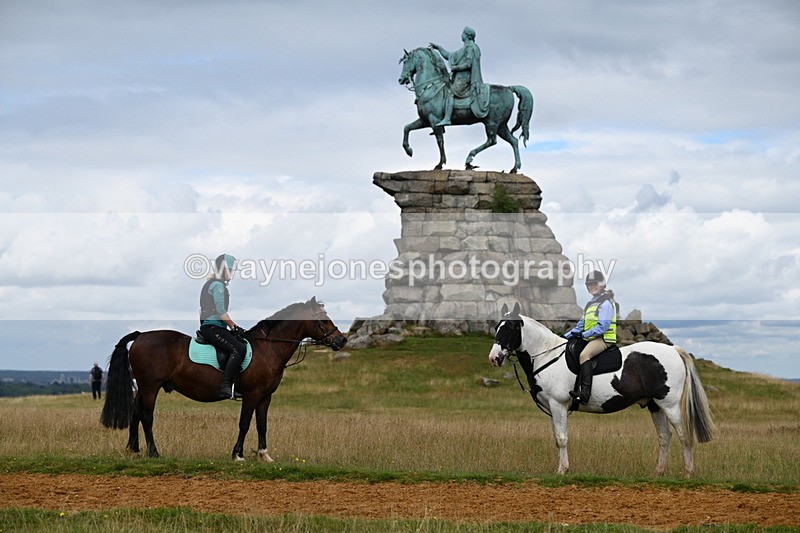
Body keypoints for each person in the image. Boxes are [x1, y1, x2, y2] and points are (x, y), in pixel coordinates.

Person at [563, 270, 618, 404]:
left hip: (604, 339)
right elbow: (580, 325)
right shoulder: (590, 304)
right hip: (591, 338)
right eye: (589, 284)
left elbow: (602, 328)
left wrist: (583, 335)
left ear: (602, 285)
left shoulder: (606, 304)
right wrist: (564, 337)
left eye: (595, 284)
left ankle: (585, 393)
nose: (592, 286)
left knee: (584, 355)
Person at [199, 253, 247, 400]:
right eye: (231, 271)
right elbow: (221, 313)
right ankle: (226, 387)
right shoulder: (218, 285)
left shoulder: (211, 283)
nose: (232, 274)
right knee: (239, 349)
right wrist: (234, 326)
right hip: (214, 328)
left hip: (211, 327)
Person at [429, 26, 487, 126]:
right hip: (459, 78)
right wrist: (439, 48)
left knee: (450, 92)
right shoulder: (464, 48)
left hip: (465, 78)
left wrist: (456, 68)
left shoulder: (471, 48)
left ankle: (447, 118)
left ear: (467, 36)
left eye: (463, 34)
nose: (461, 35)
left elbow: (469, 64)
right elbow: (449, 55)